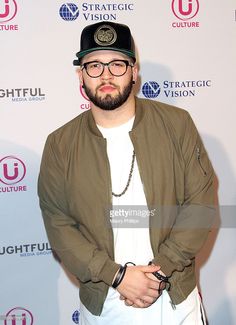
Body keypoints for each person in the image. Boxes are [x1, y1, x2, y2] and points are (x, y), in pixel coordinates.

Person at [38, 21, 215, 324]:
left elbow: (201, 205)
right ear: (80, 75)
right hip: (106, 302)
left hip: (175, 298)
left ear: (134, 71)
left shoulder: (177, 124)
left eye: (117, 64)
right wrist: (118, 276)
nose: (106, 75)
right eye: (94, 65)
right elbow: (59, 226)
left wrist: (161, 270)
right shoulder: (60, 144)